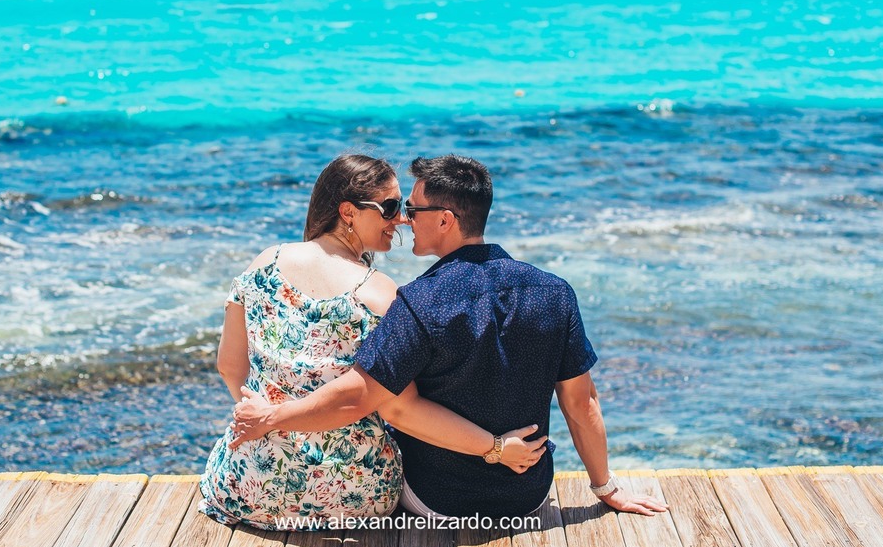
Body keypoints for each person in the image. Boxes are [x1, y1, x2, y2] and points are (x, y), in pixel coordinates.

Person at [231, 154, 669, 519]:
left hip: (434, 500)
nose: (404, 220)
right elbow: (581, 402)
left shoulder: (418, 301)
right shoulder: (555, 293)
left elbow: (378, 401)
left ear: (444, 220)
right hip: (527, 496)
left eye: (412, 210)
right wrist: (606, 487)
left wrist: (271, 417)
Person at [198, 153, 546, 530]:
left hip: (249, 486)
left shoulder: (265, 262)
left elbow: (229, 366)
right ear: (348, 212)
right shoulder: (379, 294)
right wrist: (496, 448)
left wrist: (263, 420)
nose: (402, 219)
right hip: (354, 494)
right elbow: (401, 409)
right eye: (390, 208)